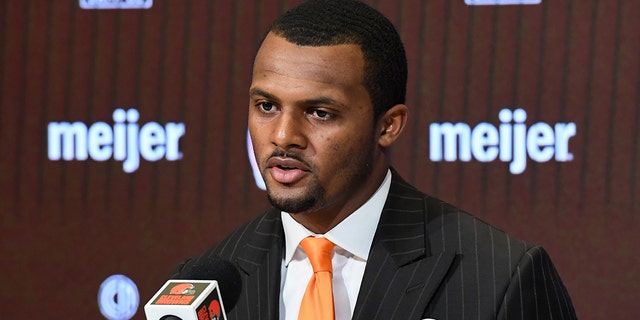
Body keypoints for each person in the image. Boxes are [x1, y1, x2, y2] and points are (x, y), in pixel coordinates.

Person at [173, 0, 577, 319]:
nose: (283, 136)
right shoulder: (208, 282)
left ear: (389, 126)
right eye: (266, 106)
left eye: (320, 112)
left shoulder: (500, 277)